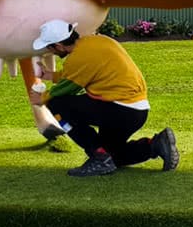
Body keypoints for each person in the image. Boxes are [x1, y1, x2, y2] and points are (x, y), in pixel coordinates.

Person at [28, 19, 180, 177]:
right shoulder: (98, 41)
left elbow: (67, 88)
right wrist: (50, 75)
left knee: (56, 104)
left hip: (119, 110)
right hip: (135, 111)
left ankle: (99, 156)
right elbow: (79, 73)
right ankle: (156, 144)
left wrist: (42, 99)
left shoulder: (79, 57)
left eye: (49, 47)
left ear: (59, 45)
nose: (50, 51)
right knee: (113, 156)